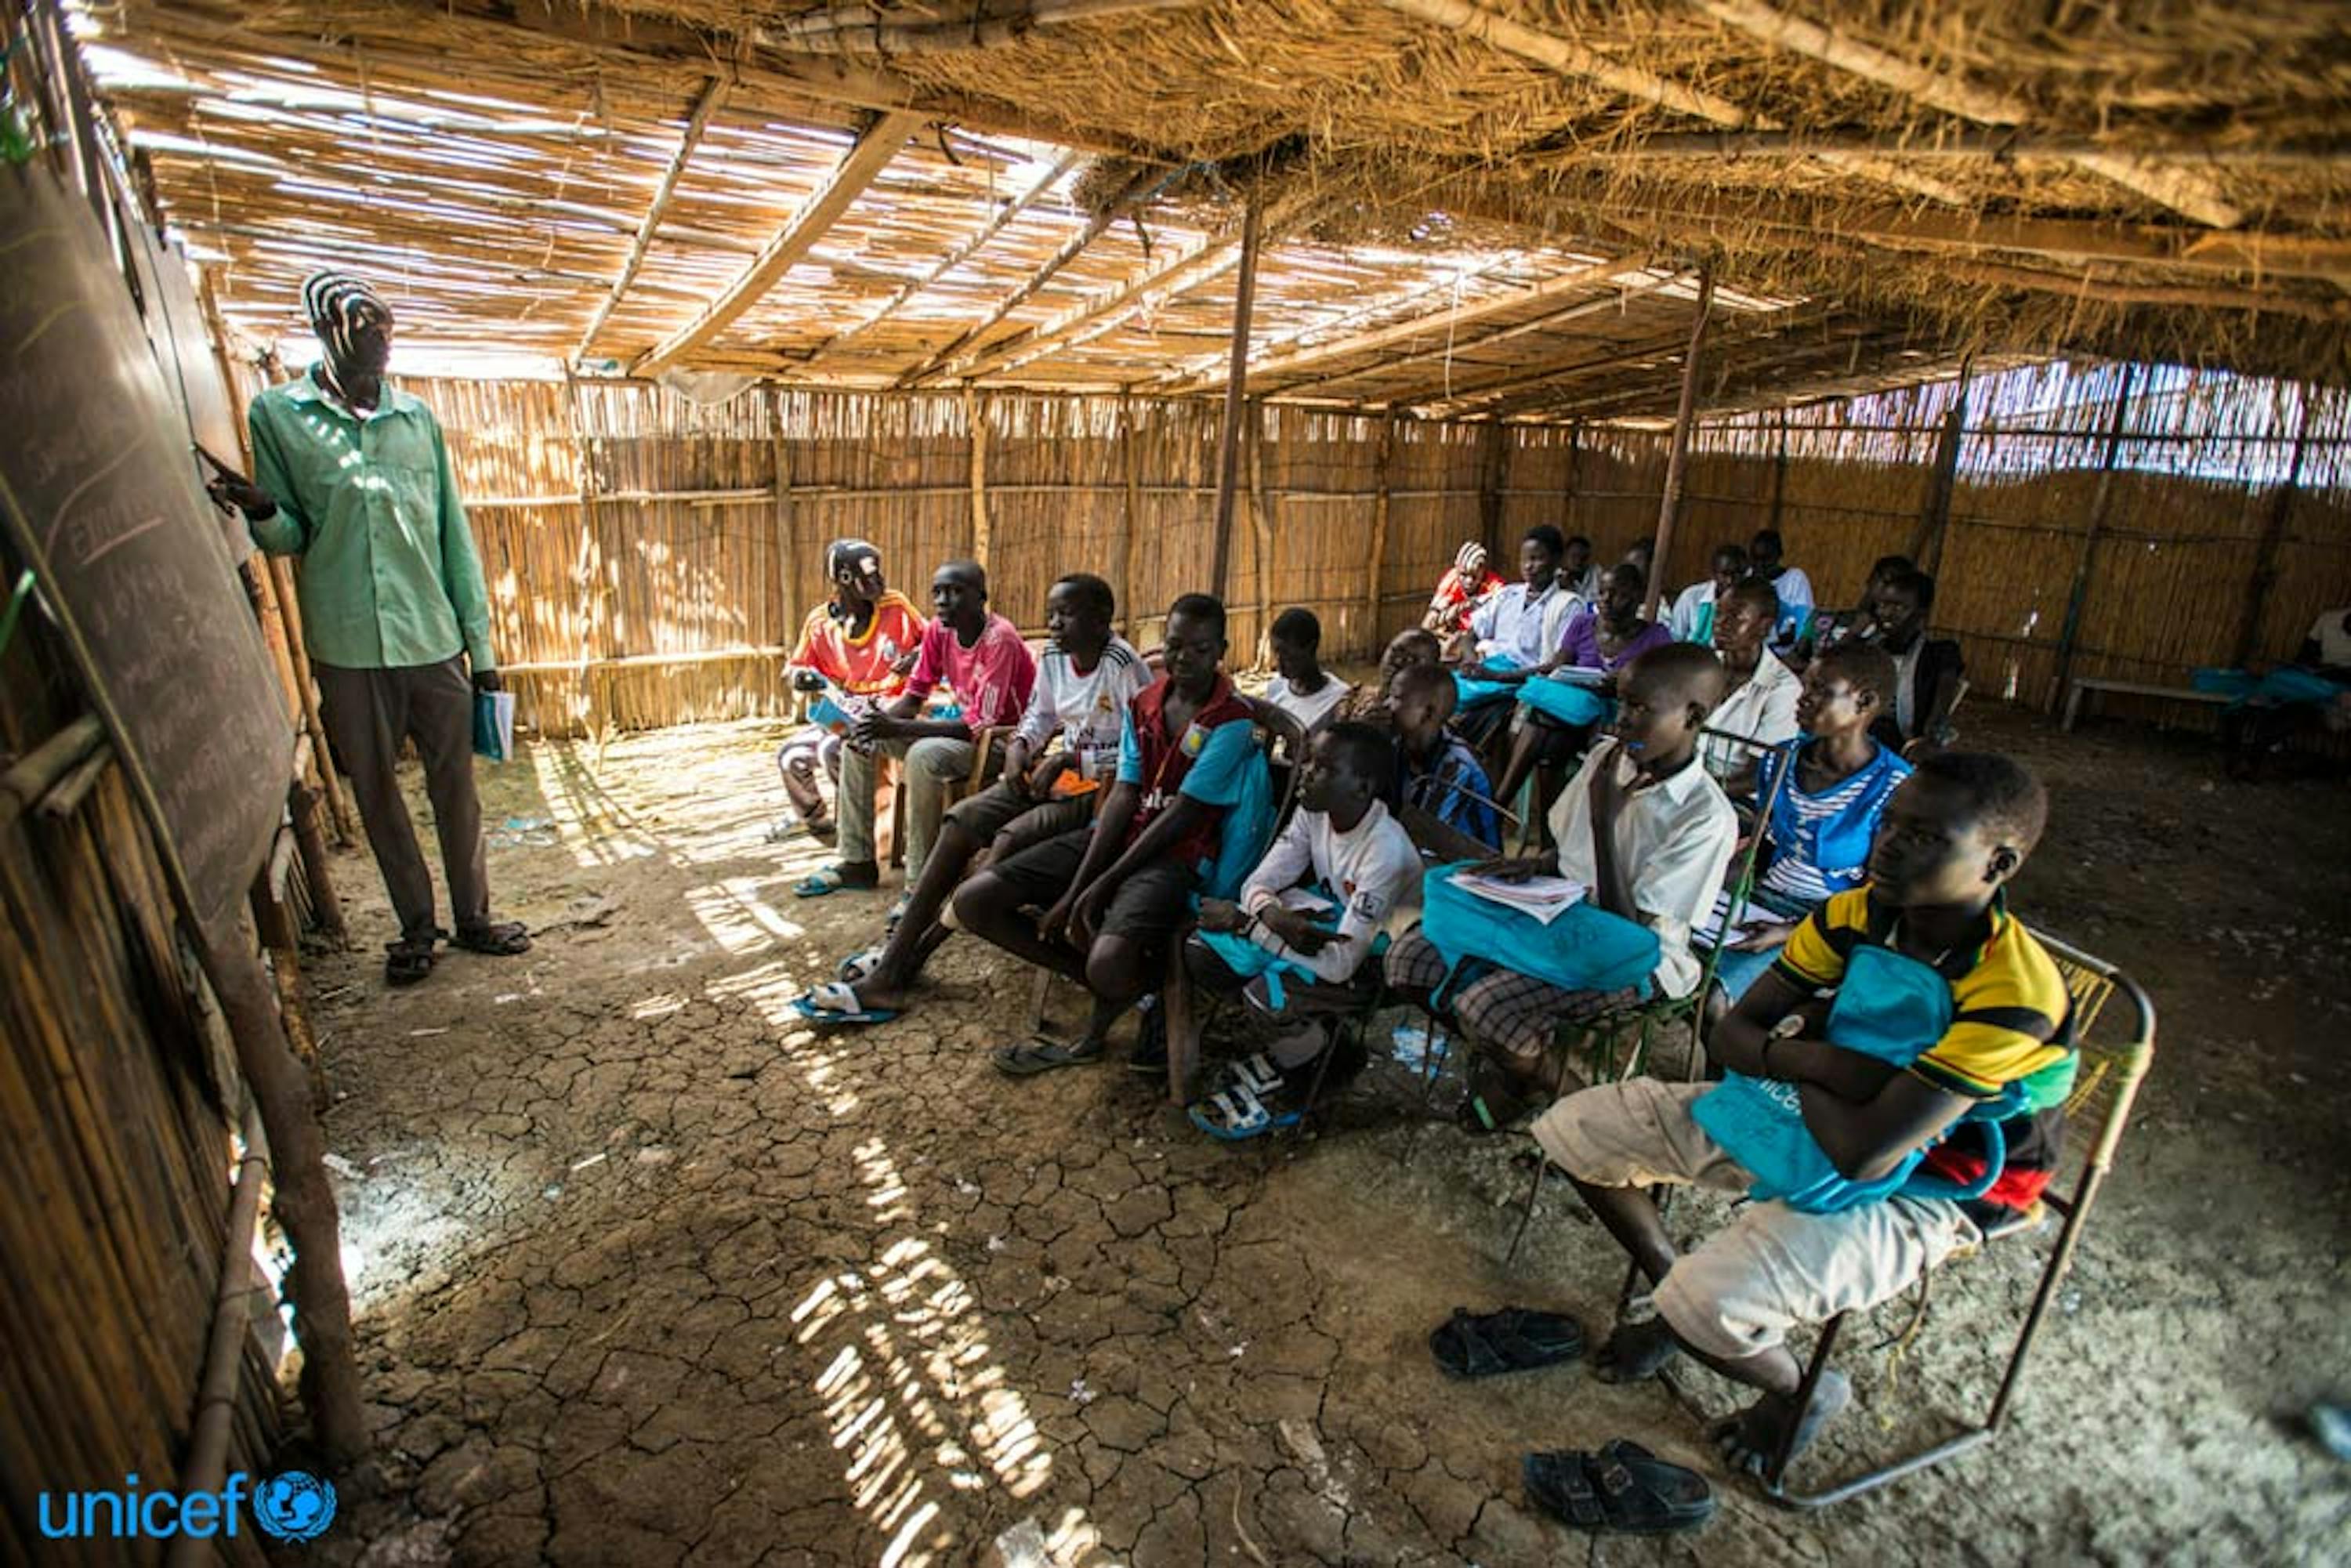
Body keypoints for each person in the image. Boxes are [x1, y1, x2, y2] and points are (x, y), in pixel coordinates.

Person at [1520, 751, 2071, 1476]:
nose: (1888, 844)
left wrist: (1799, 1039)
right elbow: (1729, 1034)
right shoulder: (1858, 912)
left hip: (1942, 1181)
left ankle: (1798, 1392)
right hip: (1820, 1114)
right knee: (1576, 1130)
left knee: (1708, 1300)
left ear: (1998, 863)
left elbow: (1866, 1155)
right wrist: (1827, 1060)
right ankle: (1676, 1308)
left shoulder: (2013, 989)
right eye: (1891, 822)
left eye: (1926, 835)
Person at [205, 272, 527, 987]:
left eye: (387, 326)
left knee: (457, 789)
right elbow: (291, 537)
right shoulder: (278, 415)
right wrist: (261, 508)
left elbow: (453, 536)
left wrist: (482, 652)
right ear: (325, 329)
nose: (382, 340)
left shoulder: (415, 420)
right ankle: (417, 927)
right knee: (377, 793)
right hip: (347, 645)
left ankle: (473, 916)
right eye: (364, 326)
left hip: (431, 636)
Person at [1385, 643, 1737, 1125]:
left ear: (1693, 715)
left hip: (1640, 960)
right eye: (1622, 704)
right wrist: (1536, 866)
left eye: (1640, 709)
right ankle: (1521, 1070)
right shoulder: (1607, 761)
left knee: (1486, 1009)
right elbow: (1573, 856)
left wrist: (1604, 820)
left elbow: (1629, 937)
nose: (1621, 722)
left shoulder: (1705, 817)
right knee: (1407, 961)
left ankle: (1585, 1118)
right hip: (1557, 920)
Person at [794, 574, 1146, 1024]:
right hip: (1058, 774)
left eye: (1067, 614)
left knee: (1001, 845)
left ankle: (901, 965)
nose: (1054, 624)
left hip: (1103, 791)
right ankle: (896, 961)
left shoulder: (1122, 666)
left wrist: (1072, 759)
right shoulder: (1056, 655)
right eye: (1052, 613)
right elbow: (1039, 717)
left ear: (1102, 618)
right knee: (960, 822)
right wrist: (1021, 750)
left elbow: (1140, 753)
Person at [957, 594, 1267, 1075]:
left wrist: (1097, 886)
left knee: (1105, 953)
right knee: (975, 900)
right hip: (1122, 837)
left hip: (1177, 859)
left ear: (1221, 649)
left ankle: (1122, 984)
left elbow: (1182, 816)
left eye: (1201, 649)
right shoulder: (1145, 703)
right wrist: (1081, 886)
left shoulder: (1231, 720)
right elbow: (1124, 795)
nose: (1185, 658)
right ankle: (1124, 986)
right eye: (1176, 645)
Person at [1185, 723, 1422, 1138]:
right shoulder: (1314, 811)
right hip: (1330, 923)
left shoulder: (1384, 852)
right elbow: (1258, 883)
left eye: (1324, 767)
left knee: (1264, 994)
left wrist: (1250, 923)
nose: (1305, 770)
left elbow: (1342, 965)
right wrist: (1269, 915)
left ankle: (1323, 1064)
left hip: (1378, 962)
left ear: (1362, 788)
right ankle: (1310, 1042)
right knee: (1201, 950)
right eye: (1309, 758)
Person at [799, 561, 1036, 897]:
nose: (943, 601)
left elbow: (980, 726)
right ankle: (857, 862)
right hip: (963, 736)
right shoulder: (940, 631)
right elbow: (913, 697)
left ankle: (921, 883)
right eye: (937, 592)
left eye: (955, 592)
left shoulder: (1000, 640)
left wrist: (895, 726)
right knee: (858, 742)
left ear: (981, 597)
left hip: (1004, 743)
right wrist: (877, 728)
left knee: (924, 756)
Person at [1705, 644, 1910, 1002]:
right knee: (1679, 960)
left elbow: (1880, 898)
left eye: (1821, 690)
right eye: (1806, 686)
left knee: (1717, 998)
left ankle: (1731, 1054)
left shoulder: (1892, 787)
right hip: (1761, 900)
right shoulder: (1781, 759)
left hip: (1833, 923)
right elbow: (1765, 843)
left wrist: (1789, 931)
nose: (1803, 699)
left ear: (1864, 703)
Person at [1488, 563, 1675, 818]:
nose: (1606, 601)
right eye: (1602, 592)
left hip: (1615, 720)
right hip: (1572, 715)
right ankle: (1542, 832)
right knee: (1549, 735)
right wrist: (1498, 675)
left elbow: (1662, 685)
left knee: (1544, 730)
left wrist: (1624, 683)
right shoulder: (1583, 624)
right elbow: (1555, 666)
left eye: (1617, 594)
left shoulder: (1656, 636)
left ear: (1637, 598)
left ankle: (1500, 807)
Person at [773, 539, 926, 843]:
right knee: (791, 757)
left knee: (834, 751)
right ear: (843, 579)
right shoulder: (820, 623)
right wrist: (800, 678)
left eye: (878, 573)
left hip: (892, 709)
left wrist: (917, 657)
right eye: (868, 576)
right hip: (844, 710)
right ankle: (815, 821)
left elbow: (934, 642)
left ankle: (856, 830)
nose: (879, 582)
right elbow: (793, 669)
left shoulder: (896, 606)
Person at [1386, 661, 1503, 849]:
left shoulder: (1458, 766)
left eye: (1396, 698)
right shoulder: (1398, 747)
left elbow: (1425, 837)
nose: (1387, 705)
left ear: (1428, 713)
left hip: (1465, 867)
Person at [1697, 580, 1802, 788]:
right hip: (1686, 779)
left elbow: (1758, 776)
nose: (1720, 623)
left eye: (1735, 617)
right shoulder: (1702, 667)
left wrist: (1696, 794)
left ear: (1764, 626)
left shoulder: (1782, 689)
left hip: (1733, 796)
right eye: (1718, 613)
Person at [1461, 526, 1581, 674]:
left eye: (1536, 559)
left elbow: (1558, 664)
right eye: (1523, 559)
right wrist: (1472, 662)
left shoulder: (1567, 606)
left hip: (1526, 682)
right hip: (1489, 670)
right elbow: (1469, 637)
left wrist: (1500, 676)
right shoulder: (1507, 595)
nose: (1527, 566)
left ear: (1557, 560)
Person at [1871, 568, 1965, 754]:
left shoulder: (1940, 655)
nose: (1886, 613)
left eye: (1899, 607)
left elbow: (1939, 714)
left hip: (1905, 745)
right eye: (1882, 605)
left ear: (1922, 612)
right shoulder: (1869, 649)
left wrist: (1927, 742)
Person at [1801, 553, 1913, 662]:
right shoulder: (1820, 617)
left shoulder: (1888, 641)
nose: (1888, 591)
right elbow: (1797, 656)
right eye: (1886, 581)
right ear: (1871, 580)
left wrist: (1854, 632)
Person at [1262, 607, 1353, 731]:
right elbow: (1262, 736)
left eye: (1288, 655)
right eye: (1276, 654)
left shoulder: (1338, 700)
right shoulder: (1276, 689)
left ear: (1310, 647)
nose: (1280, 664)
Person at [1334, 628, 1442, 724]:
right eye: (1395, 651)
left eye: (1411, 660)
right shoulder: (1353, 697)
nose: (1398, 661)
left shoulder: (1429, 719)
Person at [1667, 544, 1749, 645]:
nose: (1730, 581)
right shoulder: (1691, 597)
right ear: (1713, 573)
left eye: (1737, 574)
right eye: (1724, 574)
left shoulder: (1750, 603)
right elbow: (1675, 638)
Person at [1748, 528, 1816, 650]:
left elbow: (1801, 626)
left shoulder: (1795, 579)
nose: (1760, 564)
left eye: (1766, 559)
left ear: (1779, 555)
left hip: (1783, 653)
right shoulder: (1747, 578)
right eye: (1755, 558)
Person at [1423, 542, 1506, 639]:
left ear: (1483, 571)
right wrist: (1460, 608)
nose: (1469, 581)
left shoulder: (1496, 589)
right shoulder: (1451, 580)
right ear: (1457, 570)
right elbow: (1427, 624)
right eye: (1463, 575)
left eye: (1474, 576)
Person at [1560, 534, 1602, 603]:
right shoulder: (1558, 578)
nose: (1578, 562)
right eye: (1574, 556)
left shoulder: (1596, 573)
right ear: (1565, 556)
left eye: (1584, 558)